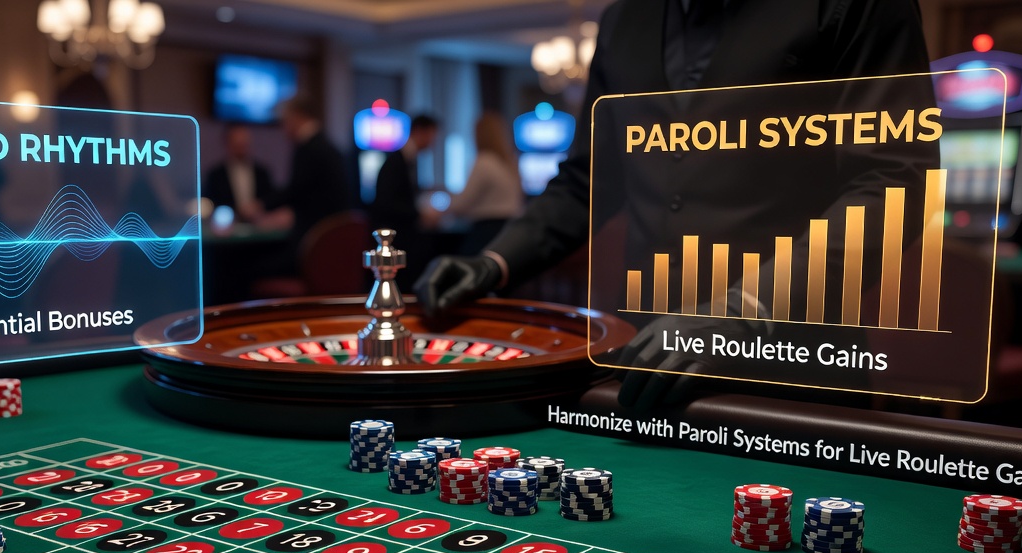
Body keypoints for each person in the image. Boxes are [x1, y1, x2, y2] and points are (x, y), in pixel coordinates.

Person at [414, 0, 936, 409]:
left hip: (792, 366)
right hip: (644, 361)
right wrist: (494, 261)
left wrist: (743, 311)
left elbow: (894, 182)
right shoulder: (622, 19)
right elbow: (587, 181)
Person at [259, 96, 354, 248]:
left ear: (296, 116)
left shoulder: (308, 149)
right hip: (335, 240)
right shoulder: (328, 146)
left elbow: (295, 190)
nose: (284, 128)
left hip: (317, 242)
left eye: (285, 120)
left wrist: (261, 205)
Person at [424, 112, 524, 255]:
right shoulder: (509, 163)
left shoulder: (484, 161)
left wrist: (435, 213)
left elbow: (463, 202)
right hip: (510, 230)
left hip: (487, 231)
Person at [371, 114, 439, 283]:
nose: (433, 141)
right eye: (432, 135)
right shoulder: (396, 162)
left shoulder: (408, 159)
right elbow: (386, 203)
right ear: (420, 132)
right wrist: (419, 214)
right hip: (394, 238)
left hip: (400, 234)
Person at [204, 124, 274, 223]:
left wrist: (258, 207)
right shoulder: (215, 174)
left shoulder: (262, 172)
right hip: (227, 228)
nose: (241, 147)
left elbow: (270, 198)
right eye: (237, 144)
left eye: (244, 143)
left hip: (259, 226)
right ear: (227, 144)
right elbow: (210, 203)